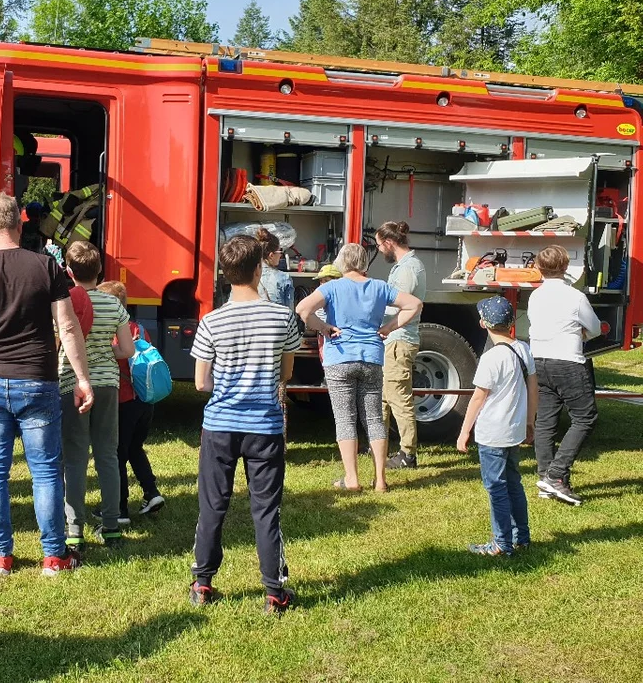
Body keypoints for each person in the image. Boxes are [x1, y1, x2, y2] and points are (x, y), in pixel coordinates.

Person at [0, 192, 94, 577]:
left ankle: (0, 555)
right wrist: (81, 378)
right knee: (44, 471)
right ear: (20, 224)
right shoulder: (46, 267)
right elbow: (68, 326)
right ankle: (54, 556)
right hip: (38, 380)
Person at [189, 235, 302, 615]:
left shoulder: (212, 321)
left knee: (212, 507)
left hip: (220, 424)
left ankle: (202, 583)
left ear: (224, 273)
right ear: (259, 269)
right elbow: (286, 371)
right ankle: (274, 591)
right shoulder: (281, 316)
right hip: (265, 426)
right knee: (266, 510)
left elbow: (202, 382)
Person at [296, 243, 422, 493]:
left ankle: (352, 479)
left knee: (346, 420)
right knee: (374, 419)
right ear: (365, 263)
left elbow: (302, 309)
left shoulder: (332, 287)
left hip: (339, 358)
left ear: (342, 263)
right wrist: (388, 328)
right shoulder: (379, 287)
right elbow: (415, 304)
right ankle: (380, 480)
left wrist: (324, 328)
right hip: (372, 357)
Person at [59, 242, 134, 548]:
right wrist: (107, 351)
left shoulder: (63, 303)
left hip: (71, 384)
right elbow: (128, 349)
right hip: (107, 384)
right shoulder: (113, 305)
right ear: (100, 271)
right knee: (107, 455)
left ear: (68, 271)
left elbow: (59, 341)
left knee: (74, 459)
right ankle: (112, 525)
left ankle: (74, 530)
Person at [456, 296, 536, 556]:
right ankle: (521, 537)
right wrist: (530, 421)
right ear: (512, 322)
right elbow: (533, 388)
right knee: (514, 483)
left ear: (483, 323)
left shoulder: (491, 358)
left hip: (493, 432)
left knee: (496, 487)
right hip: (514, 429)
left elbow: (478, 397)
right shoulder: (523, 349)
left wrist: (465, 430)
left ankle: (501, 543)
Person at [528, 245, 601, 506]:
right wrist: (583, 334)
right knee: (585, 417)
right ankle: (556, 475)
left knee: (546, 421)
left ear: (538, 268)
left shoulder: (535, 296)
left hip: (539, 359)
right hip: (567, 360)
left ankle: (545, 478)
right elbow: (594, 327)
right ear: (566, 267)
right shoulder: (575, 296)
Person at [97, 280, 165, 522]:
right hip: (145, 401)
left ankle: (120, 508)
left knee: (117, 455)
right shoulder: (140, 329)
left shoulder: (112, 333)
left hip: (123, 401)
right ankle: (151, 492)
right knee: (135, 447)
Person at [375, 221, 426, 470]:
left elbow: (404, 306)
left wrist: (386, 326)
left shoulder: (407, 270)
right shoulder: (404, 266)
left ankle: (408, 454)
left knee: (399, 398)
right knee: (385, 397)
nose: (379, 251)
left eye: (378, 246)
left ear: (389, 243)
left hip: (399, 340)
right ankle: (380, 446)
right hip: (395, 339)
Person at [255, 227, 294, 309]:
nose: (281, 255)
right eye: (280, 251)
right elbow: (289, 311)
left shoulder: (247, 276)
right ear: (271, 255)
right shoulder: (284, 278)